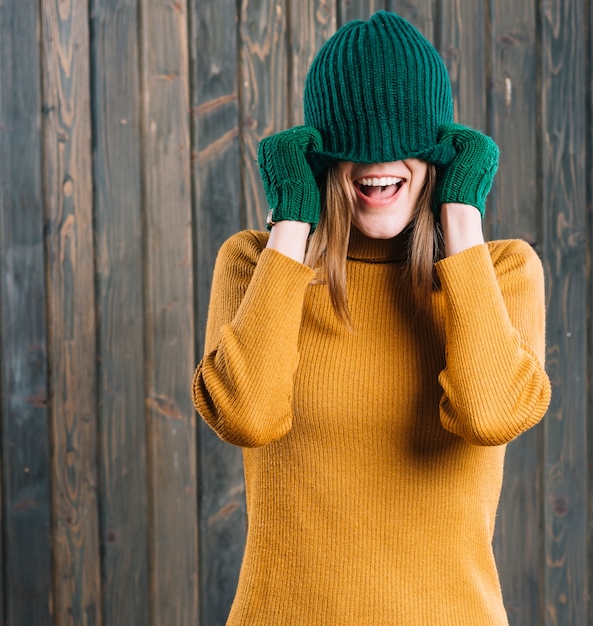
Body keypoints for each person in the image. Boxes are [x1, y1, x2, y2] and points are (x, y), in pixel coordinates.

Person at [192, 10, 551, 625]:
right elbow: (246, 415)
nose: (379, 161)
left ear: (438, 152)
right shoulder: (255, 265)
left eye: (404, 141)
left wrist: (460, 217)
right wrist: (292, 227)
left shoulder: (503, 273)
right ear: (323, 156)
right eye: (357, 143)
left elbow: (488, 413)